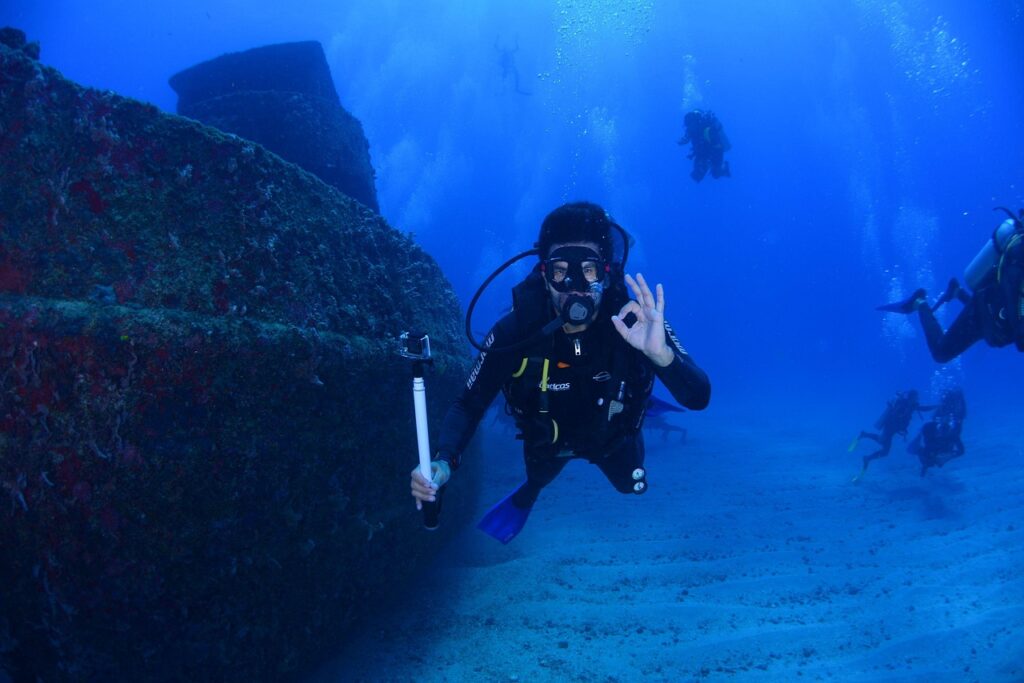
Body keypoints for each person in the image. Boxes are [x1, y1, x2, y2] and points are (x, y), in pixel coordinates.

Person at [409, 202, 711, 543]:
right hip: (547, 444)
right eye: (560, 271)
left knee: (630, 487)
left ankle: (637, 400)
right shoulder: (516, 331)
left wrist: (662, 357)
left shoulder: (636, 320)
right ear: (543, 274)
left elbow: (699, 397)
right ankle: (529, 494)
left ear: (606, 273)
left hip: (613, 437)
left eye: (589, 270)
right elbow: (469, 403)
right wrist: (444, 461)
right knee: (537, 478)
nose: (574, 285)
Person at [878, 208, 1024, 362]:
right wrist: (1020, 333)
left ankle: (957, 292)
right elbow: (1010, 290)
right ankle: (919, 302)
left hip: (997, 317)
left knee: (990, 324)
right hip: (985, 309)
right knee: (941, 353)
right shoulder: (1019, 252)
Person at [849, 389, 933, 482]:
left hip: (893, 430)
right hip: (889, 427)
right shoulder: (903, 404)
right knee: (884, 449)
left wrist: (935, 407)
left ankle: (865, 439)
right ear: (912, 397)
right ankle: (867, 456)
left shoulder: (912, 405)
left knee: (883, 447)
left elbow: (923, 408)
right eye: (916, 397)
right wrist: (898, 427)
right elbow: (895, 416)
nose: (918, 399)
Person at [908, 387, 967, 476]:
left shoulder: (935, 428)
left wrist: (949, 455)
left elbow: (960, 450)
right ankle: (926, 464)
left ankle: (927, 463)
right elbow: (960, 450)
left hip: (944, 434)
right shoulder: (934, 429)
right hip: (941, 435)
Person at [678, 109, 731, 183]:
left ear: (695, 123)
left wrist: (713, 162)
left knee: (716, 174)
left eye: (690, 126)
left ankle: (723, 166)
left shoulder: (708, 130)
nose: (689, 129)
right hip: (701, 152)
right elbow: (687, 136)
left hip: (714, 152)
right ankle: (710, 166)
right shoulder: (691, 130)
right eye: (687, 126)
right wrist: (684, 140)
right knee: (697, 176)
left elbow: (719, 148)